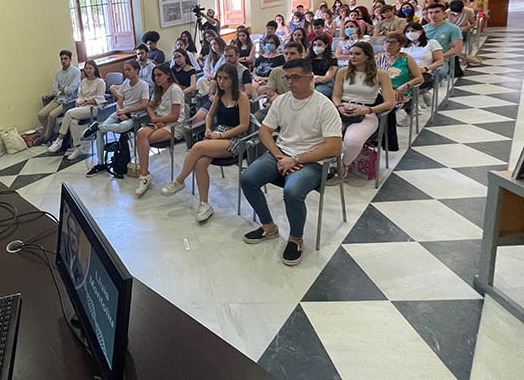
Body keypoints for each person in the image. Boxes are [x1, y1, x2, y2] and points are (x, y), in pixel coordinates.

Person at [240, 57, 342, 266]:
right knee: (248, 178)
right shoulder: (282, 101)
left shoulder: (325, 105)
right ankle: (268, 226)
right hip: (282, 154)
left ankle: (296, 238)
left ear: (310, 78)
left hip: (312, 160)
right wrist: (280, 156)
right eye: (288, 78)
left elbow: (334, 147)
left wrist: (295, 159)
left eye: (296, 77)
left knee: (292, 192)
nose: (290, 82)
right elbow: (265, 131)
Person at [159, 64, 251, 221]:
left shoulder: (241, 97)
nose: (221, 82)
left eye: (225, 78)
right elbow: (209, 115)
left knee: (198, 146)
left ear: (233, 79)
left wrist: (220, 136)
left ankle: (179, 180)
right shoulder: (219, 95)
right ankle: (204, 204)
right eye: (219, 78)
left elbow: (244, 126)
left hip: (235, 137)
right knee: (200, 163)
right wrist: (208, 129)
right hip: (217, 133)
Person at [330, 41, 395, 183]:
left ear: (368, 56)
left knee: (352, 141)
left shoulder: (381, 74)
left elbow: (390, 102)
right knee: (325, 135)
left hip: (366, 112)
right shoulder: (343, 71)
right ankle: (329, 165)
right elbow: (336, 95)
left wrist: (368, 109)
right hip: (342, 110)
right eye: (351, 53)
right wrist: (339, 106)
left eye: (357, 54)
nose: (352, 57)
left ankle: (343, 166)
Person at [84, 60, 149, 177]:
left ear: (136, 70)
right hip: (121, 112)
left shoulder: (143, 85)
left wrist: (126, 111)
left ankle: (98, 126)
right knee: (100, 132)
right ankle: (100, 163)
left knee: (121, 128)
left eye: (129, 69)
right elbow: (119, 101)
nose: (126, 72)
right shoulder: (125, 83)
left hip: (134, 116)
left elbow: (144, 104)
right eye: (125, 70)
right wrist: (120, 111)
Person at [135, 64, 186, 196]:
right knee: (140, 134)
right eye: (154, 76)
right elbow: (149, 106)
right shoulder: (158, 90)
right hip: (159, 122)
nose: (156, 78)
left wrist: (158, 121)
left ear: (168, 75)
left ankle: (144, 174)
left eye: (159, 75)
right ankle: (144, 175)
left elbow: (175, 115)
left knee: (144, 139)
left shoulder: (175, 90)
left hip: (174, 126)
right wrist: (155, 118)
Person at [47, 60, 107, 158]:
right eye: (86, 68)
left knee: (68, 113)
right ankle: (78, 147)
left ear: (95, 69)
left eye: (90, 68)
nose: (88, 70)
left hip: (95, 109)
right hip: (83, 107)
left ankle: (59, 139)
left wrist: (86, 102)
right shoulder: (84, 82)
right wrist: (78, 101)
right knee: (73, 121)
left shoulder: (100, 82)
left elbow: (100, 98)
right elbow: (80, 95)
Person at [191, 45, 254, 123]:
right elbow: (214, 84)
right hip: (218, 99)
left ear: (237, 55)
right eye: (225, 56)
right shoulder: (222, 69)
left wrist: (233, 99)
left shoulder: (244, 71)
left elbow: (249, 92)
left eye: (231, 56)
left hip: (234, 102)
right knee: (197, 119)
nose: (228, 59)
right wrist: (211, 95)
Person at [375, 33, 424, 129]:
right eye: (386, 42)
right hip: (380, 90)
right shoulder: (377, 58)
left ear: (400, 45)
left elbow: (419, 78)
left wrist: (405, 86)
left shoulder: (406, 58)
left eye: (392, 42)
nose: (388, 44)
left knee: (386, 107)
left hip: (400, 91)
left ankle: (385, 131)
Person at [36, 50, 81, 144]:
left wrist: (61, 89)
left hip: (69, 101)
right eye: (62, 59)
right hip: (57, 100)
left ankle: (47, 137)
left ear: (70, 59)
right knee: (41, 115)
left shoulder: (76, 72)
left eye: (66, 59)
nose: (63, 61)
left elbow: (71, 90)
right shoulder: (58, 74)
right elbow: (54, 90)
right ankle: (53, 134)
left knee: (52, 115)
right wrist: (62, 91)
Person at [402, 22, 444, 108]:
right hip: (406, 71)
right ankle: (410, 102)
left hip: (425, 71)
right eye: (407, 31)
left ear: (420, 32)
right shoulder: (404, 46)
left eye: (413, 31)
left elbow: (440, 61)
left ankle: (413, 103)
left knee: (410, 82)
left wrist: (425, 68)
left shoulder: (432, 43)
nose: (410, 33)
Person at [423, 3, 463, 78]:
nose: (433, 15)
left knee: (440, 72)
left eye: (437, 12)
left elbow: (458, 48)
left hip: (442, 58)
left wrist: (440, 56)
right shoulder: (422, 29)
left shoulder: (453, 28)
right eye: (430, 13)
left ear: (444, 14)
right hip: (424, 57)